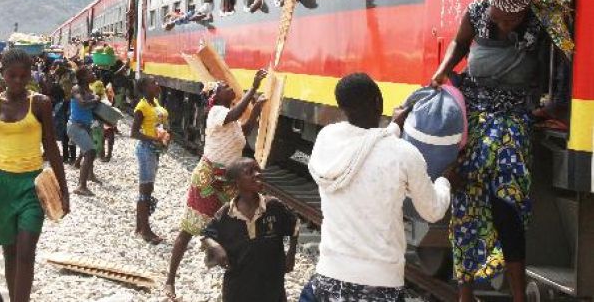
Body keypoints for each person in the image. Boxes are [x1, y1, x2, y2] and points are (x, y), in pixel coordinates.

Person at [431, 0, 539, 302]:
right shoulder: (477, 11)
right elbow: (460, 43)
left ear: (523, 12)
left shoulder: (537, 24)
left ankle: (518, 294)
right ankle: (465, 293)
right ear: (491, 4)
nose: (506, 24)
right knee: (465, 202)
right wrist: (444, 70)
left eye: (512, 20)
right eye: (501, 17)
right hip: (475, 114)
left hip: (511, 118)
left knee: (507, 203)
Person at [299, 73, 452, 302]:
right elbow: (433, 211)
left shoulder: (327, 139)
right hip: (380, 287)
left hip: (328, 280)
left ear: (342, 107)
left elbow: (366, 147)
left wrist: (394, 127)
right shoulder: (403, 154)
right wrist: (445, 182)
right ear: (379, 102)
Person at [0, 48, 70, 302]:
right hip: (1, 185)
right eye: (13, 76)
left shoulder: (40, 103)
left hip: (32, 186)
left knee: (25, 252)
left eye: (24, 76)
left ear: (30, 75)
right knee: (10, 254)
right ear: (2, 75)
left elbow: (52, 148)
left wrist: (64, 191)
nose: (19, 81)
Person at [165, 69, 268, 300]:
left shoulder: (230, 121)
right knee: (189, 228)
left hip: (230, 182)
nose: (229, 86)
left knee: (234, 228)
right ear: (215, 96)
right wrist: (252, 88)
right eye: (224, 85)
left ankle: (231, 274)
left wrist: (258, 108)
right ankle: (170, 280)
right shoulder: (216, 112)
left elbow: (245, 131)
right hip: (208, 180)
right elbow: (234, 115)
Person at [201, 158, 298, 302]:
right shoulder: (226, 213)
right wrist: (215, 246)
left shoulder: (274, 206)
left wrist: (291, 254)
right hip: (238, 288)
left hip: (272, 285)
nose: (257, 174)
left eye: (258, 170)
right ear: (236, 183)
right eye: (250, 172)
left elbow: (294, 226)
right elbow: (206, 235)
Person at [131, 75, 170, 244]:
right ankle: (145, 231)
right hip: (146, 150)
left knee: (148, 188)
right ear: (145, 88)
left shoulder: (155, 103)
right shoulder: (142, 107)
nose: (157, 84)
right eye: (153, 83)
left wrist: (167, 135)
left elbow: (160, 125)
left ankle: (140, 226)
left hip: (154, 150)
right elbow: (133, 133)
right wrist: (155, 139)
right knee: (145, 190)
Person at [68, 65, 101, 195]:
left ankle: (90, 175)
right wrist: (96, 99)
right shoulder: (77, 89)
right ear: (82, 77)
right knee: (90, 152)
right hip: (76, 126)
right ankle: (81, 186)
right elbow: (82, 103)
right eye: (90, 73)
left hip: (85, 125)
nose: (93, 74)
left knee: (88, 149)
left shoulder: (88, 89)